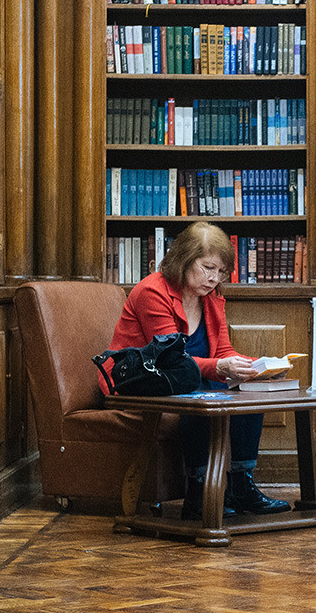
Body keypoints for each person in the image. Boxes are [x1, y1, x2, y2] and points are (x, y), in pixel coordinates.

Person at [107, 222, 290, 519]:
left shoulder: (212, 298)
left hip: (185, 379)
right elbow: (171, 361)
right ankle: (198, 491)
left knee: (248, 392)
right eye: (207, 268)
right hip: (144, 381)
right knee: (204, 395)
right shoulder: (152, 292)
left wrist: (257, 367)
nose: (214, 278)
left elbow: (223, 351)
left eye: (220, 272)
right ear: (183, 259)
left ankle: (241, 485)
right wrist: (220, 367)